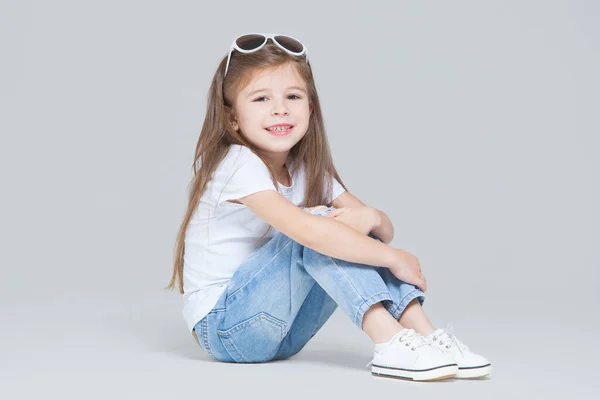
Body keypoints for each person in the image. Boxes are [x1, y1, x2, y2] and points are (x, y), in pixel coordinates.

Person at [166, 33, 491, 381]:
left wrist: (368, 217)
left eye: (293, 96)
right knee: (321, 227)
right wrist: (393, 257)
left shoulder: (306, 168)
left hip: (286, 334)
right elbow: (311, 231)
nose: (280, 109)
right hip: (226, 330)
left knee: (344, 231)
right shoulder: (237, 164)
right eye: (261, 98)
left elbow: (382, 230)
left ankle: (426, 334)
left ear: (310, 107)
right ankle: (389, 339)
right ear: (232, 118)